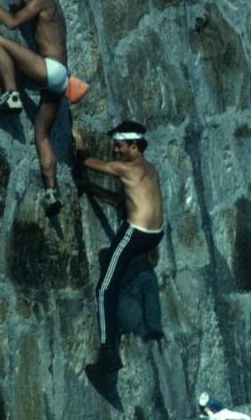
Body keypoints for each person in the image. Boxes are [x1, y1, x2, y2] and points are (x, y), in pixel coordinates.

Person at [0, 0, 85, 215]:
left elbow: (12, 22)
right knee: (41, 133)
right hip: (61, 78)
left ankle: (12, 95)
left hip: (51, 69)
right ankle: (51, 191)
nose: (20, 1)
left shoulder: (40, 0)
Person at [72, 121, 164, 377]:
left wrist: (78, 142)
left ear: (134, 145)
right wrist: (90, 189)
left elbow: (88, 162)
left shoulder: (127, 169)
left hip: (136, 234)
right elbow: (119, 201)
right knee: (122, 274)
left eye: (120, 146)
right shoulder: (149, 169)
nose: (115, 151)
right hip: (154, 234)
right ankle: (131, 316)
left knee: (104, 288)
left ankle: (108, 351)